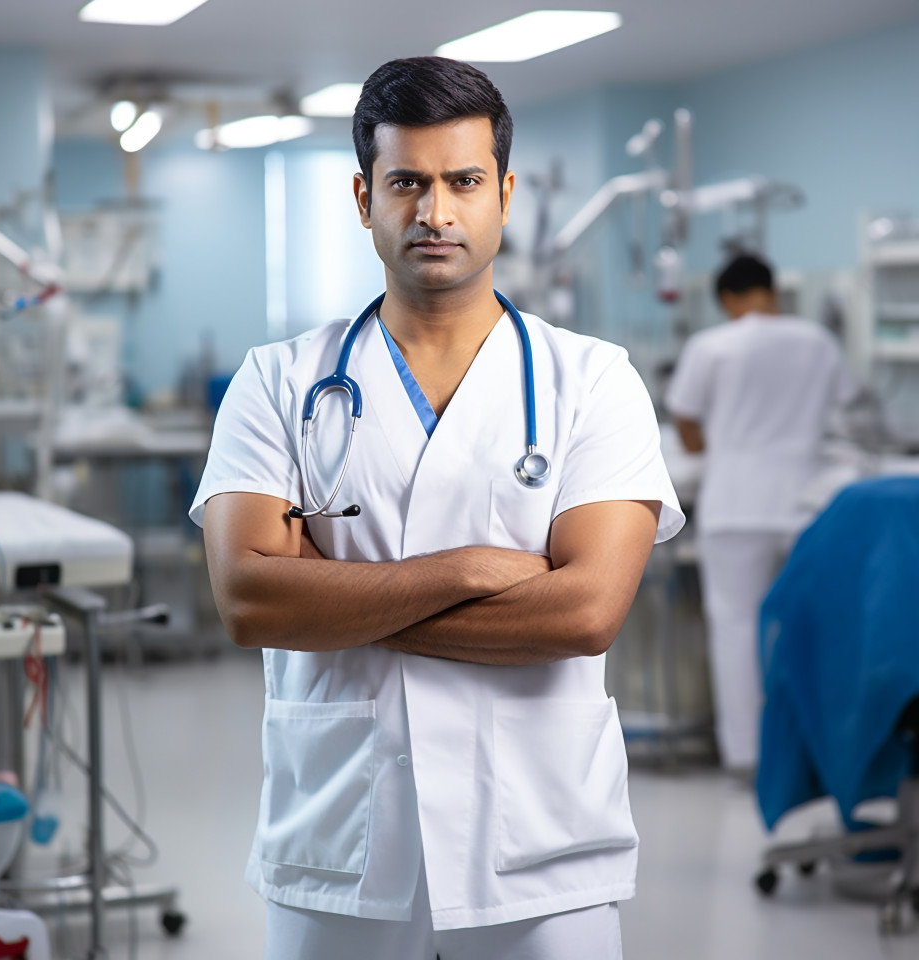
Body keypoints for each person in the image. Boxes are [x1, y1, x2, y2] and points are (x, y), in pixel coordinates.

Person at [190, 56, 683, 960]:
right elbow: (249, 602)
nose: (435, 212)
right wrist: (465, 572)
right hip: (341, 841)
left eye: (462, 181)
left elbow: (585, 611)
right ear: (362, 195)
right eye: (406, 182)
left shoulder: (593, 380)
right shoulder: (278, 381)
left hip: (539, 847)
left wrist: (333, 598)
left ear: (504, 191)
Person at [665, 253, 856, 773]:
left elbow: (686, 424)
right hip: (806, 505)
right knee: (811, 627)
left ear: (726, 298)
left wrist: (722, 440)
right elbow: (841, 409)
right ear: (772, 290)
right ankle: (821, 753)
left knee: (736, 627)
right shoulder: (819, 341)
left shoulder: (711, 345)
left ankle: (747, 757)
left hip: (735, 506)